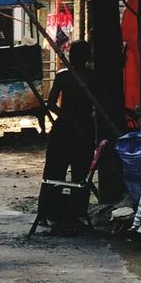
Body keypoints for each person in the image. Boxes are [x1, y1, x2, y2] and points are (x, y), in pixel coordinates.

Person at [43, 39, 97, 186]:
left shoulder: (91, 77)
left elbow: (101, 103)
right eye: (72, 53)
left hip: (80, 128)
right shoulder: (64, 76)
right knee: (55, 173)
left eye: (76, 54)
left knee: (79, 174)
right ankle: (55, 205)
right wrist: (73, 121)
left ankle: (75, 206)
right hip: (68, 127)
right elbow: (51, 105)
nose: (72, 57)